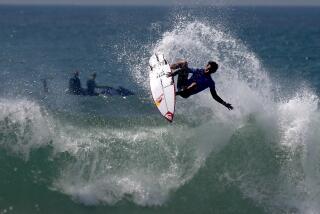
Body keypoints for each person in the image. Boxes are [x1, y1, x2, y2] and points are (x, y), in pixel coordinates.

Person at [168, 60, 233, 110]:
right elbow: (185, 70)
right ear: (206, 66)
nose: (208, 70)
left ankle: (174, 94)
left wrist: (225, 104)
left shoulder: (210, 82)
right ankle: (169, 68)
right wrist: (173, 74)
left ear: (213, 72)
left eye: (210, 70)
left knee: (194, 84)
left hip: (185, 93)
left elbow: (214, 96)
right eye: (208, 68)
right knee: (184, 63)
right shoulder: (199, 70)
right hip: (181, 85)